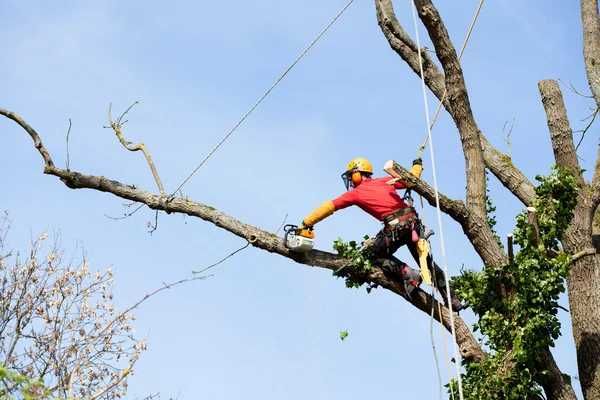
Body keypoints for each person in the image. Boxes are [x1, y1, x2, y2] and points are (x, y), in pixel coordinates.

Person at [300, 157, 463, 311]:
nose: (350, 180)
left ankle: (407, 273)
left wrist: (307, 222)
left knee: (372, 255)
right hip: (413, 223)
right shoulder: (385, 181)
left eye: (351, 176)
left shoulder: (355, 193)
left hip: (395, 227)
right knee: (427, 264)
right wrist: (417, 165)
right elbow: (412, 179)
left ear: (358, 173)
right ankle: (453, 299)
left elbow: (330, 206)